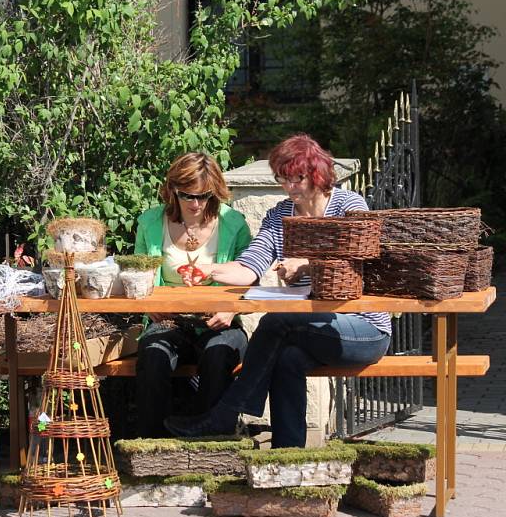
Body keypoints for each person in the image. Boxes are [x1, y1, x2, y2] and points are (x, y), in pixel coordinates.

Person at [163, 134, 392, 448]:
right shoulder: (279, 217)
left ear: (317, 173)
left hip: (364, 329)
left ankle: (225, 415)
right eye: (283, 179)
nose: (290, 187)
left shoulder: (349, 207)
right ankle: (288, 456)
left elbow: (361, 266)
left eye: (297, 178)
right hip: (311, 330)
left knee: (276, 321)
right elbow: (250, 266)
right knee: (287, 359)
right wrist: (211, 269)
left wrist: (309, 266)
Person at [133, 152, 252, 437]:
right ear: (173, 190)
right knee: (153, 354)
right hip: (170, 320)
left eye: (204, 196)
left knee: (219, 353)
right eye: (188, 196)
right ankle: (152, 445)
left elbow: (251, 275)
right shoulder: (151, 222)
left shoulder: (233, 223)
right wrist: (150, 306)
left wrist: (231, 309)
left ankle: (211, 442)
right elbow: (138, 276)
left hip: (219, 319)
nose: (196, 204)